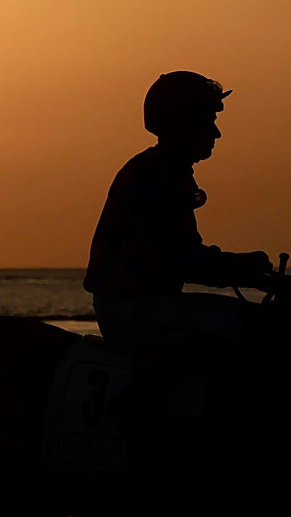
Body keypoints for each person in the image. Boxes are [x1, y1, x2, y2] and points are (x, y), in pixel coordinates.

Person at [84, 70, 274, 356]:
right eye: (209, 121)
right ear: (185, 123)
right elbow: (182, 259)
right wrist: (244, 269)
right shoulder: (153, 177)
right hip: (134, 311)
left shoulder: (165, 172)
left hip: (145, 305)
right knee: (251, 326)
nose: (216, 133)